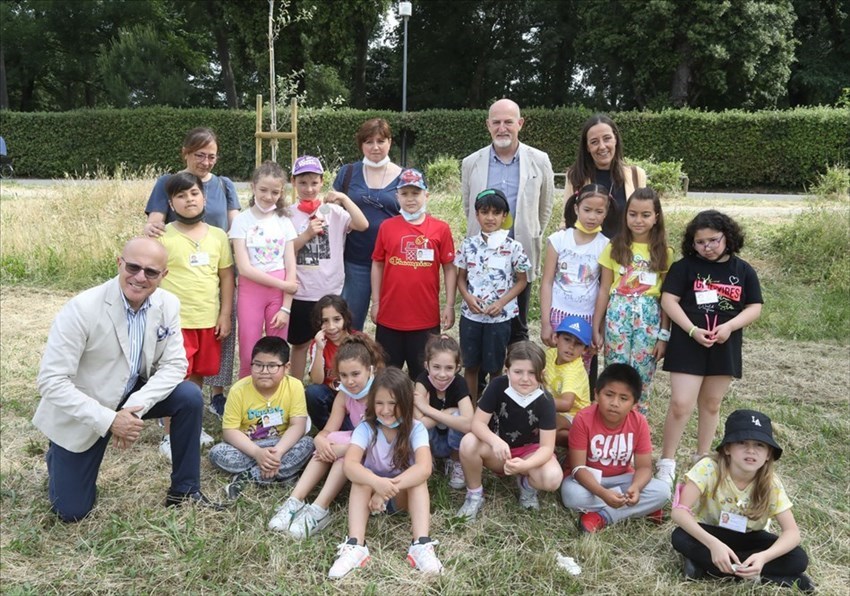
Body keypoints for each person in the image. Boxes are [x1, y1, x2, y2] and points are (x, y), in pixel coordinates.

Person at [33, 238, 219, 522]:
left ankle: (184, 489)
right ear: (119, 263)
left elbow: (175, 364)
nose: (140, 277)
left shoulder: (167, 303)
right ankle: (58, 454)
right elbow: (51, 381)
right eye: (133, 267)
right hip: (88, 402)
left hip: (132, 391)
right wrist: (110, 420)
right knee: (71, 512)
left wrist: (134, 408)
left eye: (151, 272)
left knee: (189, 397)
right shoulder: (82, 308)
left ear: (164, 275)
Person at [655, 211, 763, 487]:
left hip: (724, 345)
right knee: (681, 404)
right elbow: (669, 300)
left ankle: (702, 458)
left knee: (712, 404)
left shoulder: (743, 270)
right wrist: (691, 329)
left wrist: (730, 327)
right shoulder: (684, 267)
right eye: (700, 242)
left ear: (727, 236)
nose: (707, 247)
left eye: (713, 240)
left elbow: (754, 307)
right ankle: (667, 462)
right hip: (687, 343)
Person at [144, 127, 241, 414]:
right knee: (177, 359)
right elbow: (155, 223)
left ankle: (215, 396)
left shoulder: (224, 185)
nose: (206, 162)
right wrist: (151, 229)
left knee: (215, 345)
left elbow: (237, 226)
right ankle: (172, 411)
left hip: (215, 267)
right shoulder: (169, 182)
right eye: (200, 155)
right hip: (180, 276)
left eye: (212, 156)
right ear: (185, 153)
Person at [670, 410, 812, 591]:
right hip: (712, 533)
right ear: (727, 448)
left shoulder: (770, 483)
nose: (751, 450)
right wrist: (713, 544)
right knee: (680, 536)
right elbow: (680, 511)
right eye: (742, 442)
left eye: (759, 445)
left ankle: (706, 568)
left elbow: (792, 532)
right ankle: (770, 577)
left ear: (768, 454)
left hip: (749, 538)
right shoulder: (708, 468)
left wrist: (764, 557)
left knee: (798, 558)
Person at [328, 367, 442, 579]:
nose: (386, 410)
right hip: (369, 499)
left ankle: (421, 544)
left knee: (418, 479)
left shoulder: (416, 429)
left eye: (393, 403)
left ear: (406, 403)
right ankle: (355, 546)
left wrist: (385, 490)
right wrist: (376, 484)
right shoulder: (366, 428)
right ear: (371, 404)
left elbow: (424, 468)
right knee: (360, 478)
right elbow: (350, 465)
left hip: (401, 497)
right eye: (379, 403)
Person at [268, 335, 385, 538]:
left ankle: (320, 509)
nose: (349, 381)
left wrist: (343, 449)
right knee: (330, 443)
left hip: (379, 452)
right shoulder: (345, 394)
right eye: (344, 375)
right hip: (357, 444)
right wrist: (319, 440)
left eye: (355, 374)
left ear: (370, 369)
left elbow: (385, 440)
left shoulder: (382, 394)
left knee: (345, 451)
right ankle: (294, 501)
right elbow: (328, 430)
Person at [461, 98, 555, 344]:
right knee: (479, 321)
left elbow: (545, 207)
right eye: (496, 122)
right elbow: (467, 206)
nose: (502, 128)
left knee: (518, 325)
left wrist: (530, 232)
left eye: (508, 122)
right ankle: (481, 380)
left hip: (519, 252)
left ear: (520, 124)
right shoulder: (471, 163)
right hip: (481, 257)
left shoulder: (539, 160)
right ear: (488, 125)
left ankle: (518, 377)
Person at [157, 172, 235, 460]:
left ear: (204, 196)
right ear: (171, 203)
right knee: (176, 376)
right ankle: (168, 434)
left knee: (198, 376)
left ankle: (191, 427)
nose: (189, 199)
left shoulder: (217, 236)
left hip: (208, 319)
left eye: (193, 193)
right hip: (177, 322)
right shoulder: (163, 235)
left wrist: (225, 314)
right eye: (181, 195)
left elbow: (226, 276)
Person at [456, 341, 562, 521]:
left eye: (531, 373)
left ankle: (527, 486)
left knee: (552, 478)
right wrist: (494, 440)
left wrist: (525, 466)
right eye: (518, 372)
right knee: (468, 442)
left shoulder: (545, 399)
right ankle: (474, 495)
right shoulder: (498, 386)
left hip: (530, 453)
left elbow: (546, 447)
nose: (525, 378)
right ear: (507, 371)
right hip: (499, 451)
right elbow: (477, 424)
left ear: (542, 374)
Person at [560, 363, 670, 533]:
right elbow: (578, 468)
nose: (615, 403)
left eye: (624, 398)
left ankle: (602, 516)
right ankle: (642, 508)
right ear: (596, 394)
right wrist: (603, 493)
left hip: (623, 479)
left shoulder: (639, 422)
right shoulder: (583, 419)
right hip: (589, 481)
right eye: (609, 395)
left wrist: (636, 488)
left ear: (634, 403)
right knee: (570, 494)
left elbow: (645, 468)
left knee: (663, 491)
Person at [371, 168, 457, 380]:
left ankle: (423, 413)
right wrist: (376, 301)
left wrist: (449, 305)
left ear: (426, 195)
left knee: (424, 376)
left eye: (416, 193)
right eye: (405, 193)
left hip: (425, 318)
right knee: (387, 375)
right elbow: (378, 264)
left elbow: (449, 267)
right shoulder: (387, 227)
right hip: (390, 317)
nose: (410, 199)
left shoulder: (440, 229)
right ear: (397, 196)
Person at [592, 187, 672, 414]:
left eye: (645, 215)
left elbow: (666, 296)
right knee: (615, 369)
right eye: (633, 214)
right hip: (618, 316)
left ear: (656, 217)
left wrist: (664, 335)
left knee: (642, 373)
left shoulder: (664, 252)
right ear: (625, 215)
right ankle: (610, 420)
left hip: (648, 319)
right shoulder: (614, 246)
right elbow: (604, 288)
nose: (638, 220)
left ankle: (637, 425)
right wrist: (596, 326)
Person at [288, 155, 368, 379]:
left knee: (334, 341)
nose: (309, 188)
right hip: (301, 291)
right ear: (293, 182)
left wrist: (343, 197)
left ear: (322, 182)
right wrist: (307, 234)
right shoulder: (288, 215)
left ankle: (332, 386)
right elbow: (286, 248)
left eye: (314, 183)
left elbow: (362, 224)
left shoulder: (334, 212)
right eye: (302, 183)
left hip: (330, 292)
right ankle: (296, 390)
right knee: (300, 344)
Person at [208, 337, 314, 499]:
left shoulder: (294, 386)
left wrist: (277, 453)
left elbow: (298, 425)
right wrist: (258, 453)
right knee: (218, 453)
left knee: (309, 444)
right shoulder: (239, 390)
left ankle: (248, 478)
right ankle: (283, 474)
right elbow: (229, 431)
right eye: (258, 365)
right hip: (249, 447)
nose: (264, 371)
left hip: (281, 444)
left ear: (286, 367)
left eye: (272, 366)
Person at [455, 188, 530, 402]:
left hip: (500, 318)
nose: (490, 218)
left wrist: (501, 302)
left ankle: (492, 409)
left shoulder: (514, 247)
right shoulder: (468, 245)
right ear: (476, 215)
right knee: (470, 365)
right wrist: (468, 298)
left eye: (496, 213)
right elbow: (461, 278)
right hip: (471, 317)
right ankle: (471, 408)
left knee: (495, 367)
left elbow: (522, 280)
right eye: (484, 212)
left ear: (504, 216)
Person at [540, 183, 615, 393]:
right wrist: (546, 322)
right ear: (576, 208)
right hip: (558, 314)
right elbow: (546, 282)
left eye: (599, 212)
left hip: (586, 318)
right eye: (587, 210)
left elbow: (604, 288)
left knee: (580, 370)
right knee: (554, 365)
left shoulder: (606, 245)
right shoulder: (558, 240)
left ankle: (576, 415)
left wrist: (596, 327)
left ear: (606, 213)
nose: (592, 217)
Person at [228, 161, 298, 380]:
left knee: (277, 349)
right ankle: (246, 399)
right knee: (250, 349)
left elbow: (290, 265)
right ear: (253, 187)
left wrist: (286, 308)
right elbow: (244, 268)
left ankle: (277, 397)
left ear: (282, 192)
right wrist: (283, 285)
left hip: (279, 295)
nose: (269, 196)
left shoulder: (284, 220)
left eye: (275, 192)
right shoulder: (241, 221)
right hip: (252, 292)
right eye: (263, 190)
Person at [334, 118, 403, 331]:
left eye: (381, 141)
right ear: (361, 144)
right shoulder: (347, 173)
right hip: (356, 262)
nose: (375, 147)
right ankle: (350, 364)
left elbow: (416, 216)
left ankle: (386, 364)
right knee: (350, 325)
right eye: (369, 141)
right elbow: (335, 213)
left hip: (393, 263)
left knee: (392, 325)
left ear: (390, 142)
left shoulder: (405, 176)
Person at [564, 114, 648, 238]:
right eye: (594, 142)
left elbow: (646, 218)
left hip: (624, 252)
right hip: (588, 254)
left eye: (607, 138)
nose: (602, 146)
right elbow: (567, 221)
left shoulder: (636, 175)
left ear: (616, 139)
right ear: (587, 147)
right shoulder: (575, 177)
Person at [413, 335, 474, 490]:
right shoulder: (422, 381)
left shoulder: (459, 383)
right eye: (436, 367)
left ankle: (455, 461)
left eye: (449, 368)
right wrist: (450, 412)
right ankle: (427, 459)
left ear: (457, 367)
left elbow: (468, 423)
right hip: (431, 443)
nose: (442, 374)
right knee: (454, 416)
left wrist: (428, 409)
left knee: (458, 416)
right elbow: (419, 423)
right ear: (427, 365)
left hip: (452, 443)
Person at [303, 295, 362, 430]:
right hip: (331, 395)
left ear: (345, 318)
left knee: (354, 432)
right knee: (312, 393)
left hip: (355, 397)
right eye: (325, 321)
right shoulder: (317, 344)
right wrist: (319, 349)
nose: (331, 327)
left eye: (336, 319)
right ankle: (326, 428)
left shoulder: (359, 340)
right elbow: (317, 380)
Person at [543, 316, 592, 447]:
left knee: (549, 422)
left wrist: (535, 401)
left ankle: (582, 444)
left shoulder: (574, 370)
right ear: (555, 338)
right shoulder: (550, 354)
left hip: (576, 417)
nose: (571, 347)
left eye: (578, 343)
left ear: (585, 350)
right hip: (554, 409)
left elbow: (566, 404)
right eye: (567, 339)